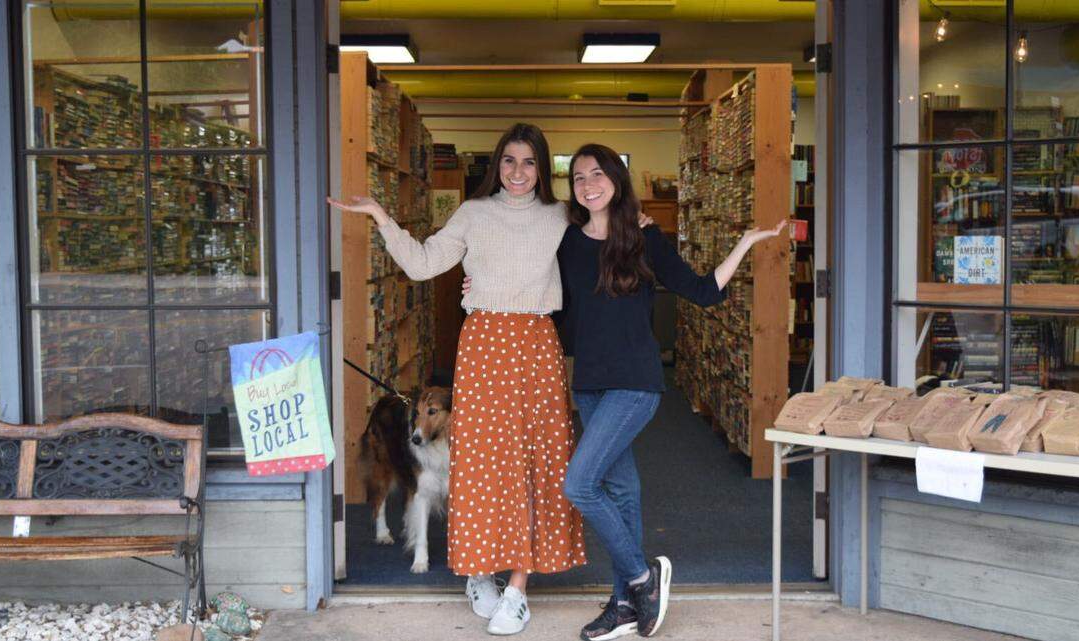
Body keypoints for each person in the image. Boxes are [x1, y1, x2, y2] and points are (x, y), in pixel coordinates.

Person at [466, 142, 784, 640]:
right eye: (579, 178)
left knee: (579, 485)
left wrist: (744, 242)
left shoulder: (643, 239)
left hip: (635, 385)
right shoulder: (568, 240)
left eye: (598, 174)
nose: (589, 184)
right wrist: (480, 288)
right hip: (589, 384)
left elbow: (702, 290)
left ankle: (641, 577)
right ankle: (624, 606)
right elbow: (534, 281)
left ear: (616, 179)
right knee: (621, 489)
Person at [328, 123, 586, 636]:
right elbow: (423, 264)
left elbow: (607, 240)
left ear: (543, 168)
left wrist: (640, 219)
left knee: (537, 459)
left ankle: (518, 587)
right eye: (509, 161)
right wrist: (381, 215)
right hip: (485, 345)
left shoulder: (562, 217)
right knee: (481, 463)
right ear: (496, 165)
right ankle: (479, 572)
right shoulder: (474, 213)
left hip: (536, 347)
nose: (518, 172)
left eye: (529, 162)